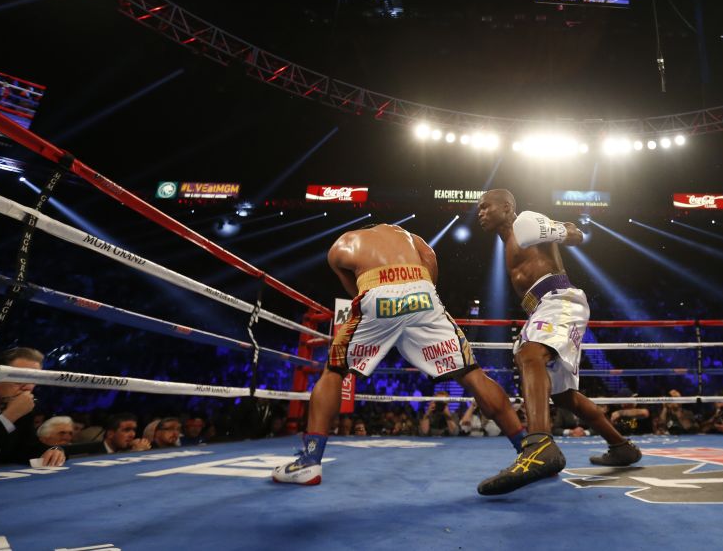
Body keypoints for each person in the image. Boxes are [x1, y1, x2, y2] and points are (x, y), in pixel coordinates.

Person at [272, 223, 529, 488]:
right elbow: (430, 256)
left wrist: (385, 305)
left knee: (335, 371)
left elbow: (356, 291)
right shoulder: (405, 234)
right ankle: (528, 451)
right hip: (422, 291)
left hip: (376, 293)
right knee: (471, 374)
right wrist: (421, 294)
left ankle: (310, 461)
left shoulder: (344, 242)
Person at [475, 189, 641, 495]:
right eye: (479, 209)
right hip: (543, 306)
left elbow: (576, 233)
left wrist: (557, 230)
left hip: (559, 298)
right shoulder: (508, 240)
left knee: (529, 356)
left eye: (486, 207)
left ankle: (538, 446)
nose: (480, 212)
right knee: (564, 395)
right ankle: (621, 446)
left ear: (507, 207)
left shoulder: (526, 220)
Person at [0, 346, 65, 466]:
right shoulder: (17, 409)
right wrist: (9, 416)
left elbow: (27, 448)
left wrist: (54, 450)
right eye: (19, 378)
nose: (28, 387)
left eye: (33, 380)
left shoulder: (24, 408)